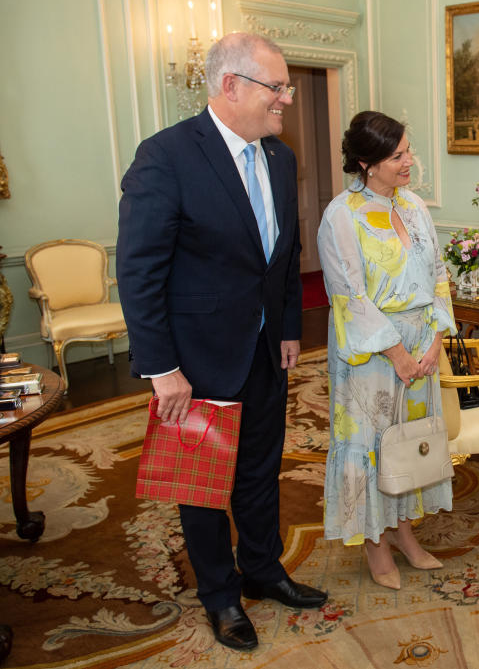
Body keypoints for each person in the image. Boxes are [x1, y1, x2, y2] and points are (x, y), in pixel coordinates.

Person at [117, 32, 327, 652]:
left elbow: (283, 257)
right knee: (202, 483)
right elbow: (140, 272)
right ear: (230, 86)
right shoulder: (165, 158)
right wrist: (162, 368)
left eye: (287, 86)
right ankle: (220, 594)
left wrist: (289, 325)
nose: (286, 99)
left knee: (260, 470)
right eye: (278, 87)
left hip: (266, 350)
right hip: (197, 359)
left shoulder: (281, 157)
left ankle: (262, 570)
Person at [317, 111, 457, 590]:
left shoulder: (415, 206)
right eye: (398, 156)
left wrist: (436, 339)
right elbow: (349, 296)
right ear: (366, 162)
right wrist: (398, 354)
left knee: (407, 444)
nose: (409, 162)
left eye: (407, 152)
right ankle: (377, 546)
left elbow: (439, 272)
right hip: (373, 355)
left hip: (423, 346)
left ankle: (405, 534)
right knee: (373, 447)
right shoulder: (342, 214)